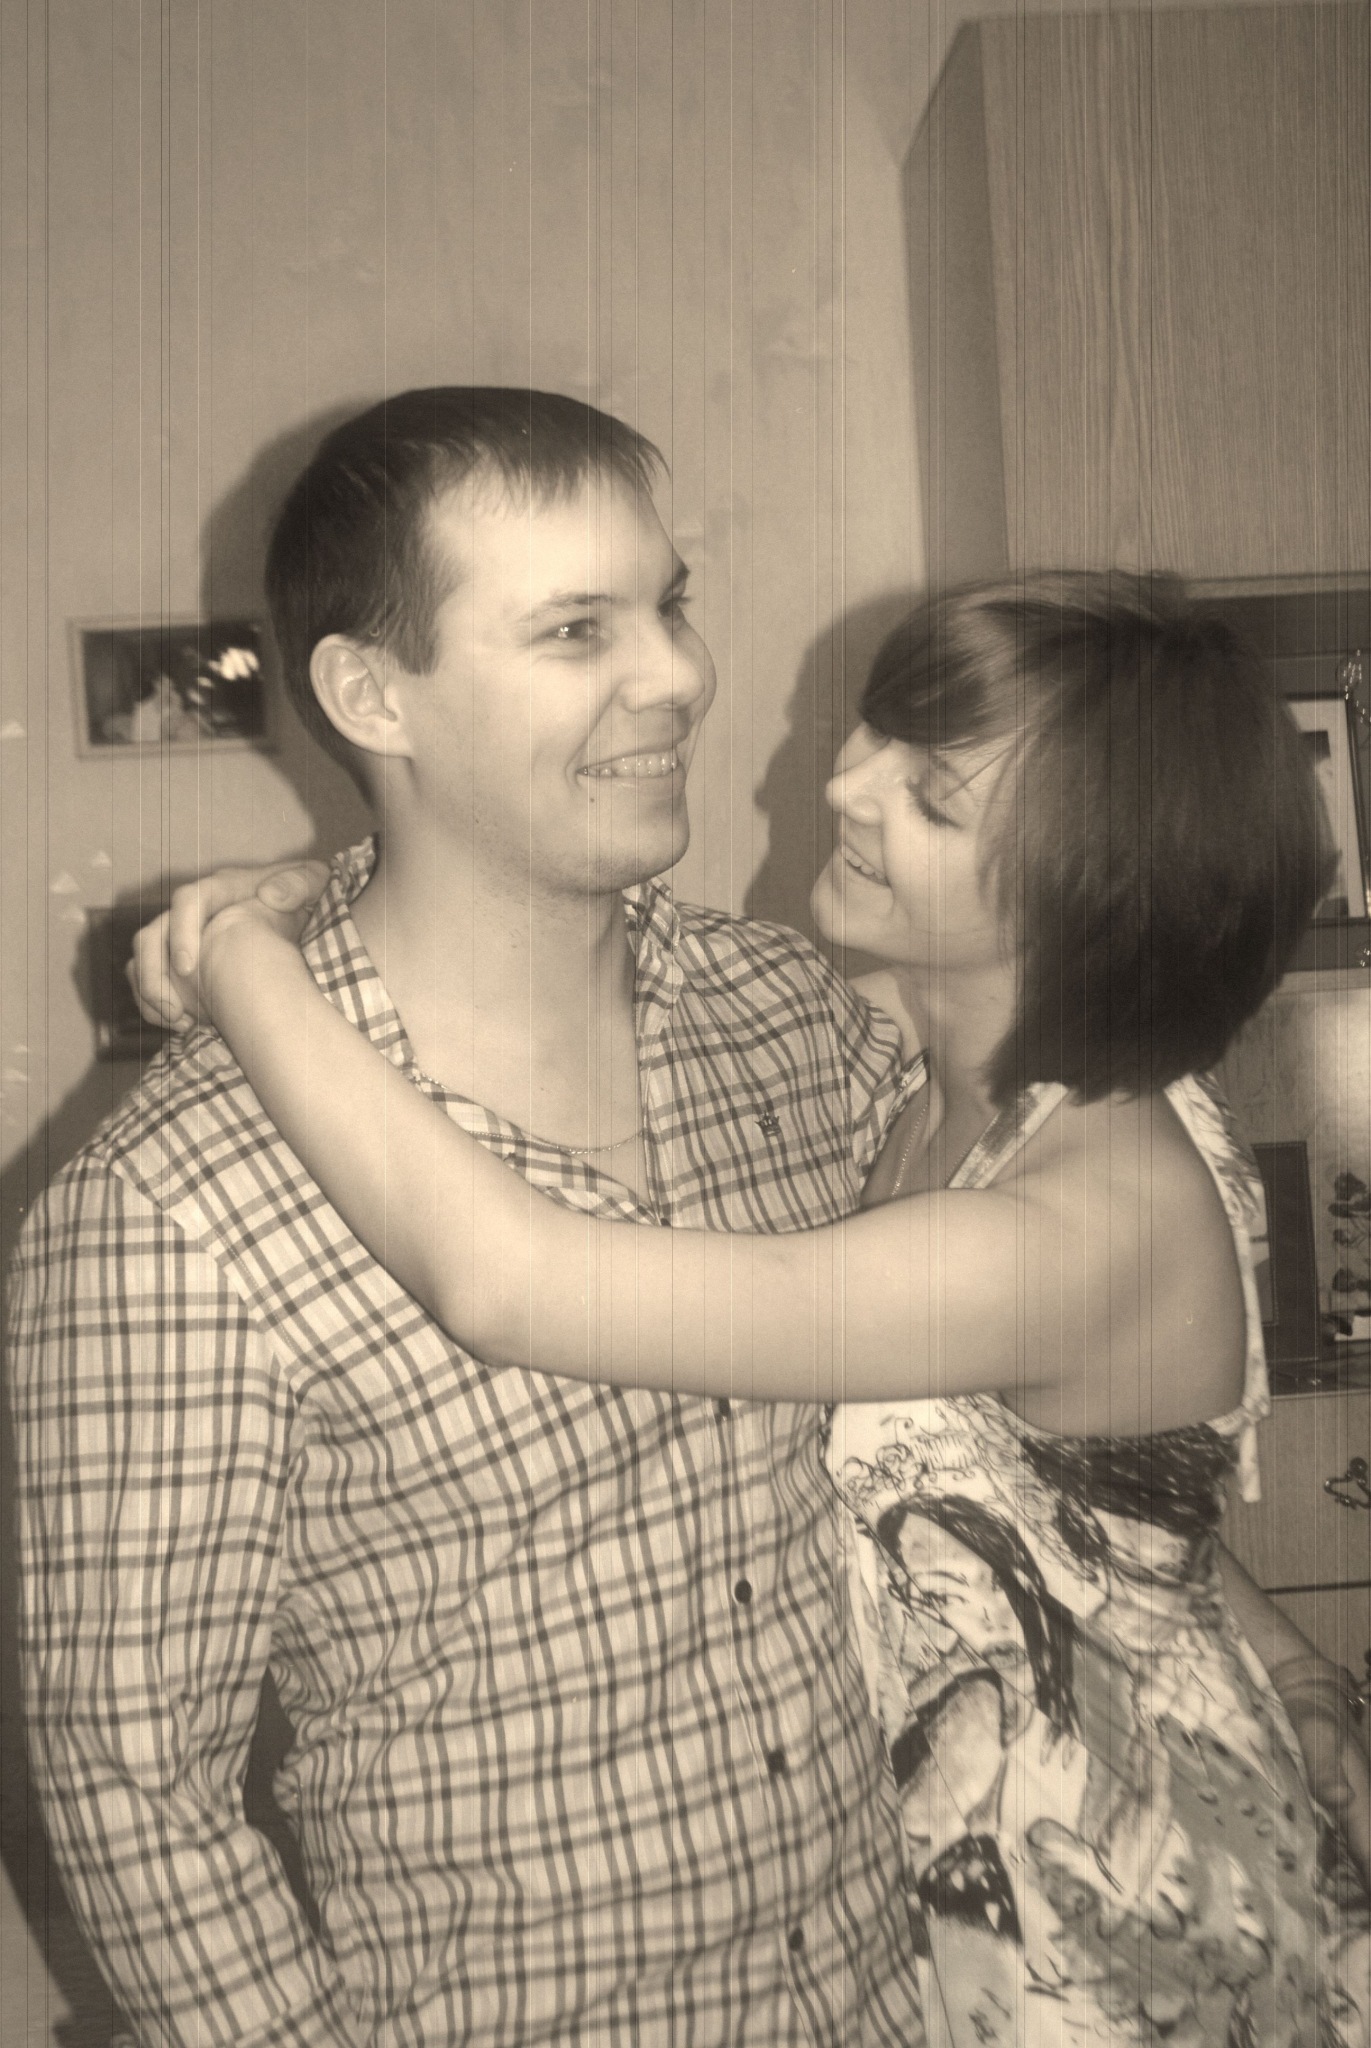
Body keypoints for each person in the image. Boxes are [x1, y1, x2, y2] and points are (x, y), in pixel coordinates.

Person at [136, 576, 1371, 2044]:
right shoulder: (950, 1065)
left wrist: (244, 968)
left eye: (931, 797)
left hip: (1113, 1894)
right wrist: (308, 891)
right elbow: (1105, 1514)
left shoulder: (1071, 1226)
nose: (845, 782)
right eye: (883, 731)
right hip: (1008, 1834)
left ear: (1080, 898)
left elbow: (510, 1282)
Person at [7, 389, 930, 2047]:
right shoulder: (171, 1209)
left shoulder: (786, 1013)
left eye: (669, 604)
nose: (678, 673)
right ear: (373, 695)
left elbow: (1019, 1286)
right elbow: (140, 1797)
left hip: (894, 1996)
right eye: (578, 629)